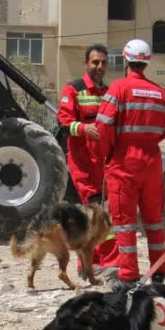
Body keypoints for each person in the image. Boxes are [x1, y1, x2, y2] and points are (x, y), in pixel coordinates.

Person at [96, 38, 165, 289]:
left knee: (124, 221)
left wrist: (108, 153)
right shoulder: (159, 92)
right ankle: (159, 269)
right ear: (146, 62)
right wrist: (149, 141)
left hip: (124, 160)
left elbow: (103, 126)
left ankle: (128, 274)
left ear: (126, 61)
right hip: (152, 160)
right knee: (153, 219)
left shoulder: (118, 88)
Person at [57, 44, 117, 278]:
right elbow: (63, 122)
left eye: (103, 62)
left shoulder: (109, 92)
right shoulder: (74, 90)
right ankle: (104, 263)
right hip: (84, 164)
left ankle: (92, 263)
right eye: (95, 62)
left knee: (102, 213)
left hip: (105, 164)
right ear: (86, 64)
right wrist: (83, 128)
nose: (99, 66)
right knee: (97, 213)